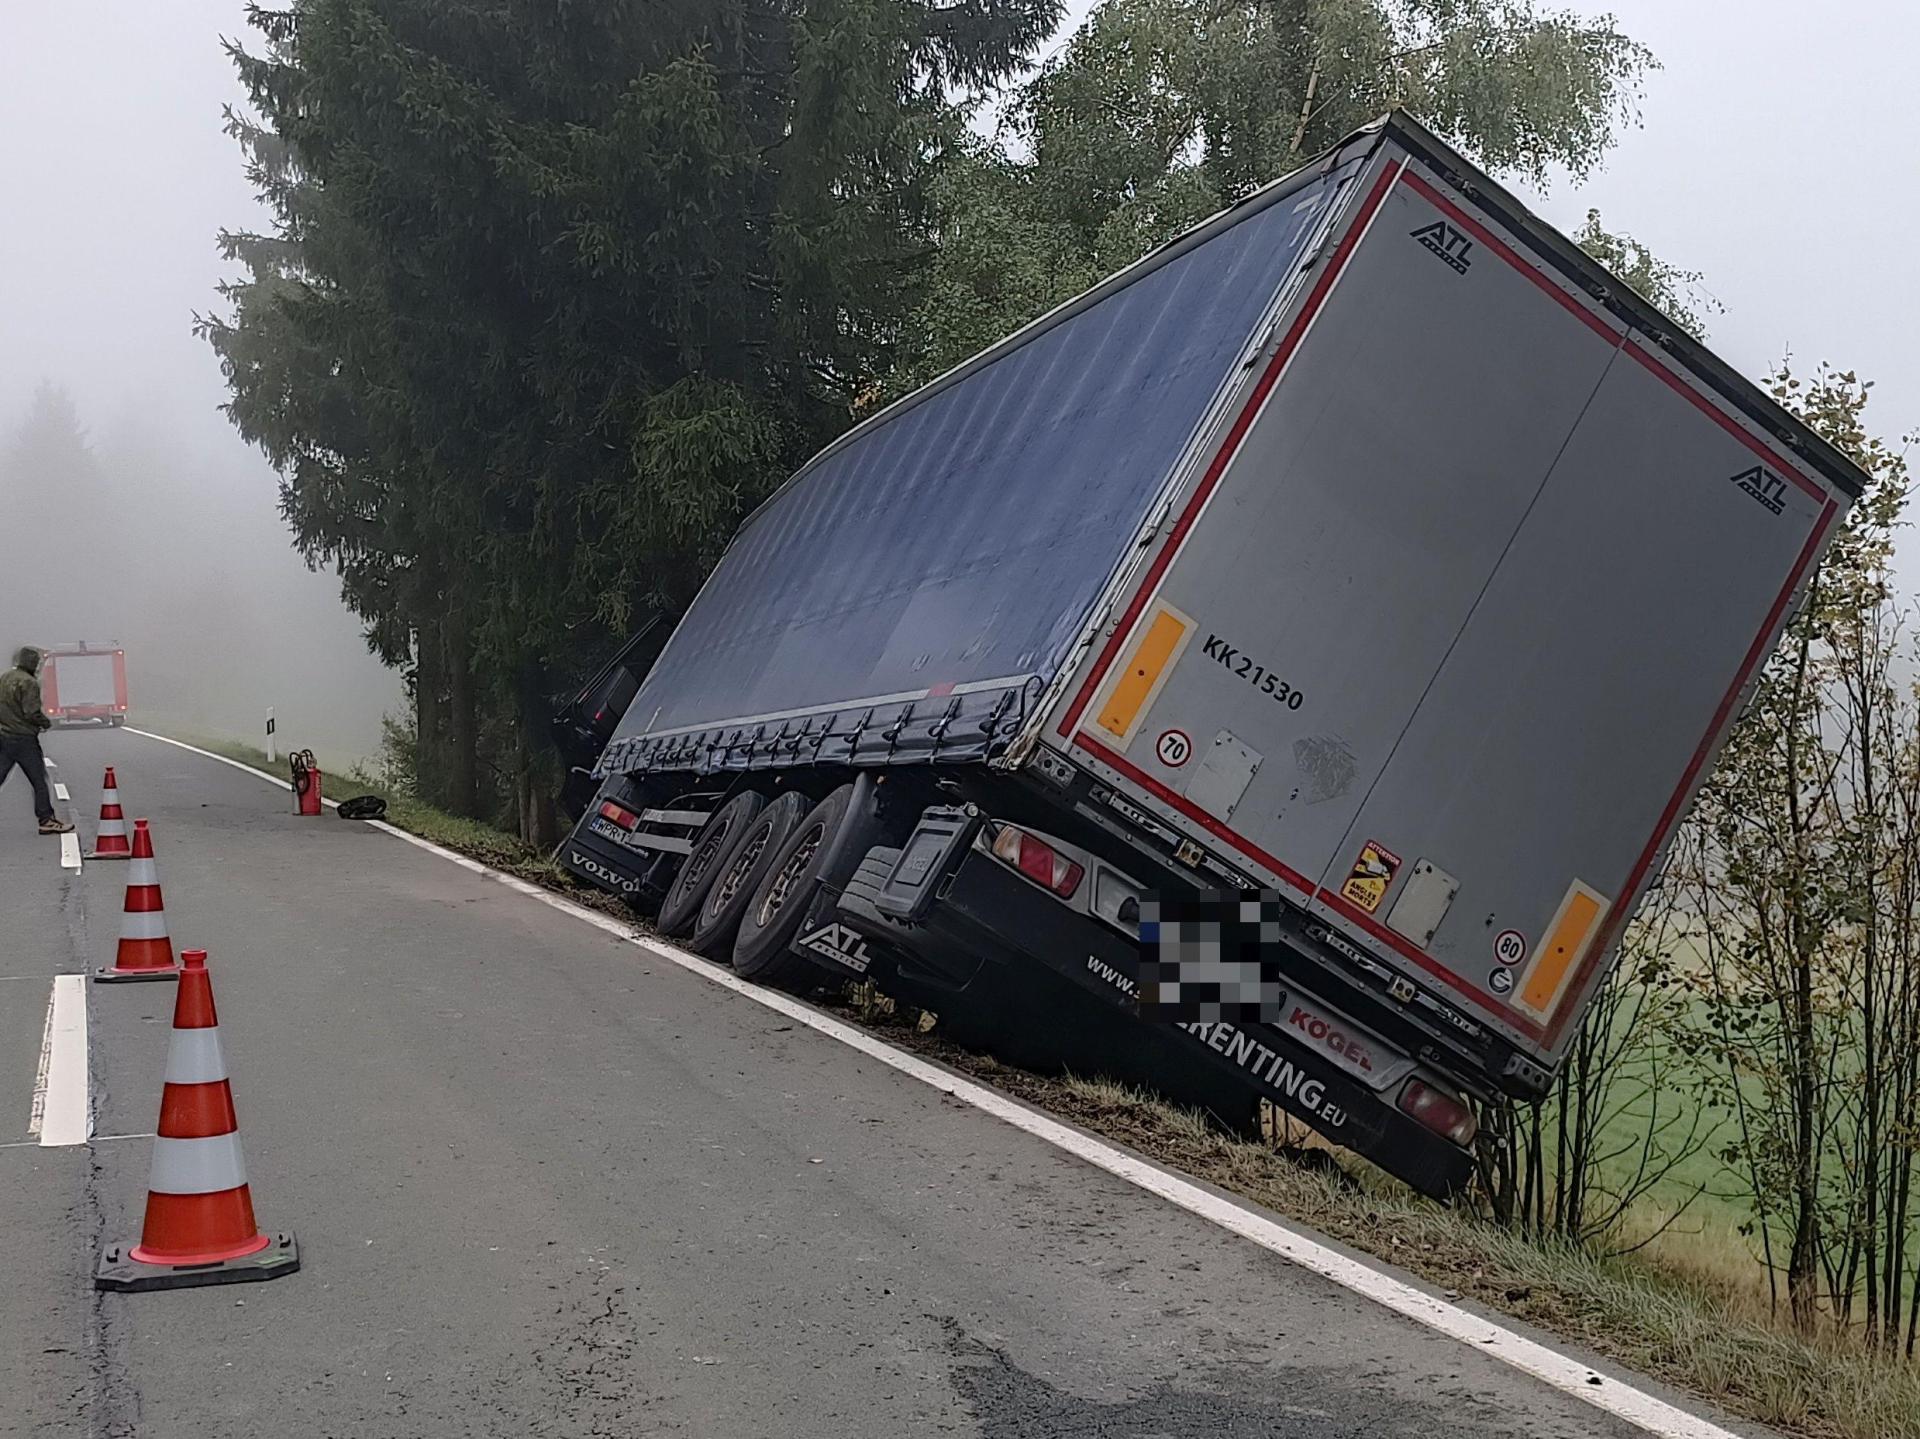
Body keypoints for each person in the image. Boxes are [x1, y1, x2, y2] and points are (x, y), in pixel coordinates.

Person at [0, 647, 74, 835]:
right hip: (24, 739)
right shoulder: (29, 683)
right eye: (38, 662)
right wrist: (45, 722)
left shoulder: (5, 678)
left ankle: (47, 819)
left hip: (4, 736)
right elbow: (31, 711)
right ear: (32, 663)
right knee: (39, 781)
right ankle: (46, 819)